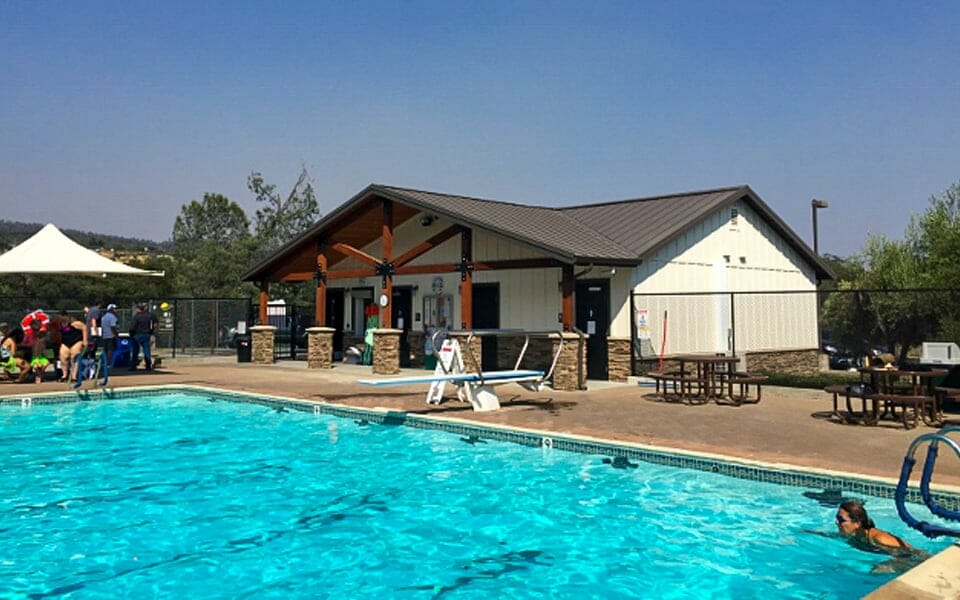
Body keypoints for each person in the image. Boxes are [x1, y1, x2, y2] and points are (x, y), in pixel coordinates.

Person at [835, 500, 911, 553]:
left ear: (857, 523)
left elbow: (908, 554)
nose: (836, 522)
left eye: (841, 519)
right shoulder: (854, 535)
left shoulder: (879, 539)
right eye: (837, 518)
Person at [54, 311, 88, 383]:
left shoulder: (74, 323)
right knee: (63, 357)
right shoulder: (59, 324)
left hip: (76, 340)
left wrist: (85, 340)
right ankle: (64, 375)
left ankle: (74, 376)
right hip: (66, 341)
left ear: (65, 316)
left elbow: (84, 327)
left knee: (74, 357)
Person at [129, 303, 157, 371]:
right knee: (146, 350)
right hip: (146, 334)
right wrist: (152, 330)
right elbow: (155, 322)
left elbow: (132, 327)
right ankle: (148, 366)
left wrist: (131, 333)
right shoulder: (150, 315)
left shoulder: (136, 316)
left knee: (135, 351)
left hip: (137, 335)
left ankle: (133, 366)